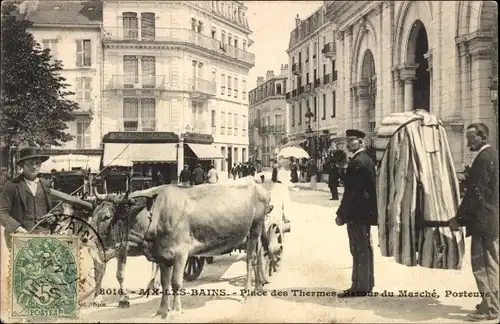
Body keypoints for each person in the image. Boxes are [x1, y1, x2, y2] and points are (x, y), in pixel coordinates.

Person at [450, 123, 499, 321]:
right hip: (492, 218)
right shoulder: (493, 155)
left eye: (471, 137)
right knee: (492, 263)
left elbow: (474, 194)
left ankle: (490, 309)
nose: (468, 141)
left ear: (482, 137)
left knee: (482, 266)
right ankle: (491, 303)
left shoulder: (483, 159)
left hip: (482, 221)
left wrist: (459, 218)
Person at [335, 129, 378, 297]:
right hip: (364, 213)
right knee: (365, 248)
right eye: (347, 140)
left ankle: (359, 287)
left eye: (351, 140)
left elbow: (351, 192)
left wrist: (341, 214)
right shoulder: (366, 159)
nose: (348, 144)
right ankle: (366, 284)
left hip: (356, 214)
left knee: (358, 248)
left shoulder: (357, 161)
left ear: (360, 142)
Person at [0, 147, 59, 249]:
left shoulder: (46, 184)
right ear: (23, 165)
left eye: (37, 163)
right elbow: (2, 212)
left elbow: (57, 206)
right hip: (19, 238)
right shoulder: (11, 185)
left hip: (44, 237)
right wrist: (17, 227)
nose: (34, 166)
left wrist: (54, 216)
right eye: (30, 163)